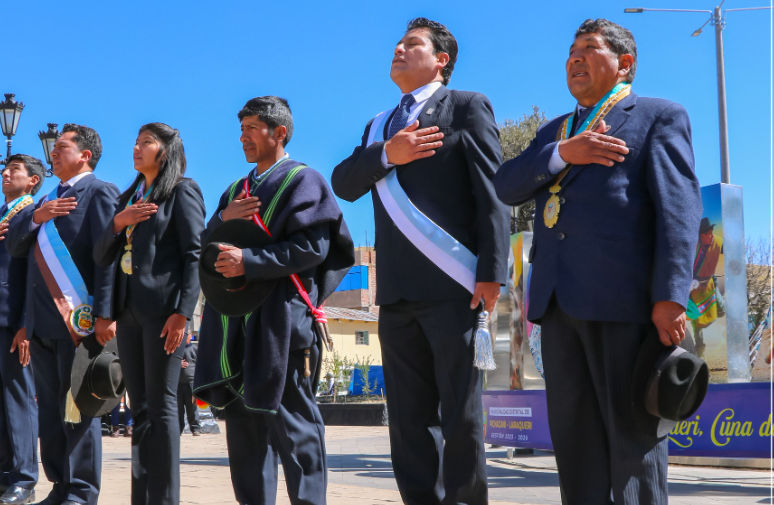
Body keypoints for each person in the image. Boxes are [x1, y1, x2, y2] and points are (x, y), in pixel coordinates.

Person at [494, 19, 702, 504]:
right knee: (576, 446)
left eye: (589, 49)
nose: (575, 59)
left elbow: (680, 210)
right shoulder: (555, 132)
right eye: (570, 52)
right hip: (559, 307)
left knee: (634, 447)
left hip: (625, 305)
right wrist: (563, 153)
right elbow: (506, 185)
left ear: (624, 64)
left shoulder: (657, 115)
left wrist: (671, 297)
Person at [331, 18, 510, 505]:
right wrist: (388, 153)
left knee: (461, 417)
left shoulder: (466, 106)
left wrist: (493, 273)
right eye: (398, 43)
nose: (399, 49)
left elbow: (492, 192)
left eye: (412, 44)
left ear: (441, 60)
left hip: (455, 287)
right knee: (408, 421)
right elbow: (344, 182)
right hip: (395, 293)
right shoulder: (378, 125)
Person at [194, 96, 354, 505]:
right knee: (243, 432)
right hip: (234, 320)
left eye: (251, 128)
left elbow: (313, 249)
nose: (243, 137)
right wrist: (223, 220)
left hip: (280, 320)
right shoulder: (235, 190)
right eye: (241, 129)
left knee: (295, 427)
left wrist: (248, 260)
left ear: (279, 133)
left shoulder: (305, 181)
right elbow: (206, 249)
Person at [6, 124, 120, 505]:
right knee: (53, 412)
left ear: (84, 155)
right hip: (41, 322)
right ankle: (59, 484)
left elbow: (108, 258)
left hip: (79, 322)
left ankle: (82, 490)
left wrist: (106, 313)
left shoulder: (101, 192)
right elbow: (18, 248)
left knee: (80, 406)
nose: (54, 153)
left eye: (62, 147)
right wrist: (38, 217)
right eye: (54, 148)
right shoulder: (47, 199)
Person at [93, 123, 205, 505]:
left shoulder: (181, 190)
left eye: (146, 142)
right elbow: (102, 256)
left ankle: (165, 498)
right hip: (129, 314)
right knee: (139, 408)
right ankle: (141, 497)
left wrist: (183, 312)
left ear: (166, 150)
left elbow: (195, 255)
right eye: (136, 142)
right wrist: (118, 223)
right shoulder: (128, 197)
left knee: (162, 406)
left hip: (164, 313)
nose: (137, 148)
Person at [0, 155, 45, 505]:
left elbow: (35, 273)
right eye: (5, 168)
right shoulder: (4, 213)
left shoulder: (32, 212)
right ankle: (4, 474)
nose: (5, 173)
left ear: (32, 181)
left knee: (18, 400)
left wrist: (27, 323)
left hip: (13, 320)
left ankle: (25, 478)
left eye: (14, 170)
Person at [689, 217, 724, 357]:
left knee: (721, 309)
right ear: (702, 236)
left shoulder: (718, 242)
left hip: (709, 284)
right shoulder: (693, 247)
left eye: (712, 233)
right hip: (693, 288)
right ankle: (700, 349)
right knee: (697, 321)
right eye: (708, 234)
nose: (711, 236)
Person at [177, 334, 200, 436]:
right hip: (177, 384)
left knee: (192, 407)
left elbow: (200, 364)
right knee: (178, 408)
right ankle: (178, 429)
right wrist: (178, 363)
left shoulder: (195, 349)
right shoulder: (176, 350)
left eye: (185, 336)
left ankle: (195, 428)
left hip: (191, 383)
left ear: (190, 336)